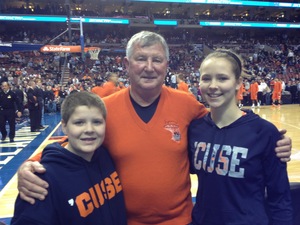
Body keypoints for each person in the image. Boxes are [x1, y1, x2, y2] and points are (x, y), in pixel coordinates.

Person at [17, 31, 292, 225]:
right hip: (125, 221)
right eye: (141, 59)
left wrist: (273, 141)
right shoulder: (105, 109)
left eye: (157, 60)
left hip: (182, 221)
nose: (149, 67)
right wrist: (30, 164)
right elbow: (72, 143)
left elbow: (224, 125)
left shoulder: (187, 105)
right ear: (126, 64)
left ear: (166, 65)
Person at [188, 49, 293, 225]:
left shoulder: (264, 132)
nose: (213, 85)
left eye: (222, 78)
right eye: (206, 78)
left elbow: (280, 198)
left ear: (238, 83)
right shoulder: (195, 130)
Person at [11, 91, 127, 225]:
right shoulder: (40, 182)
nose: (89, 129)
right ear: (64, 126)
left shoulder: (106, 155)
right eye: (79, 122)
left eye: (97, 122)